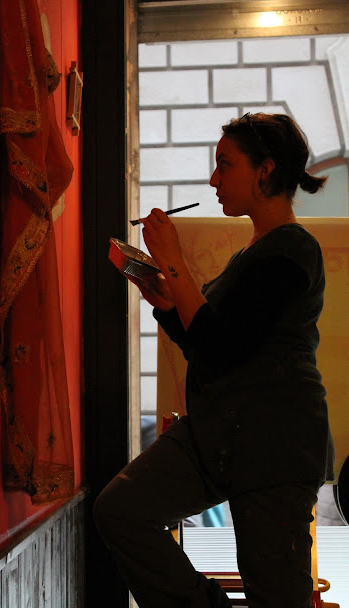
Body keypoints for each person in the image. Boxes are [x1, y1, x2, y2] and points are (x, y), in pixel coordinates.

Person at [94, 113, 335, 608]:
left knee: (277, 595)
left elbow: (222, 346)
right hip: (218, 434)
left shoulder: (292, 250)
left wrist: (173, 262)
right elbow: (208, 342)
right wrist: (167, 302)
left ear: (265, 170)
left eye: (225, 164)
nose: (213, 179)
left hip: (274, 444)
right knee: (121, 508)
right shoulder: (252, 253)